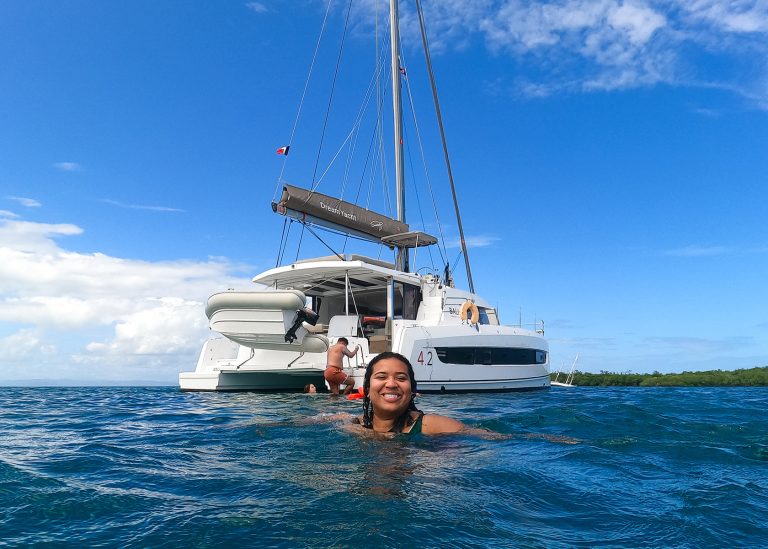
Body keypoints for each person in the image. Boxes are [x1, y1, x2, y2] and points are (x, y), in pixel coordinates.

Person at [349, 351, 466, 435]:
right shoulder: (355, 425)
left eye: (401, 378)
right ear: (368, 389)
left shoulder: (430, 426)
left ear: (411, 390)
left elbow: (482, 437)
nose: (391, 384)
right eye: (381, 377)